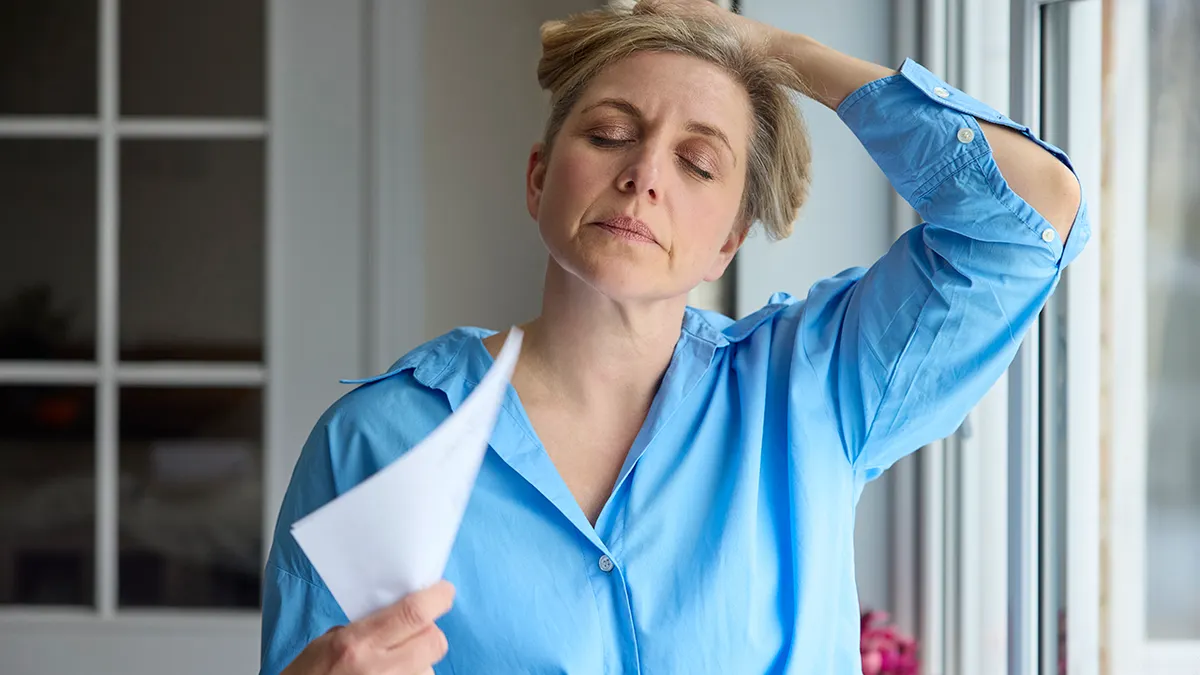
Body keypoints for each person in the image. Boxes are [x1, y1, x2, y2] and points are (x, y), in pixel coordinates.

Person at [260, 0, 1088, 673]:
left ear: (731, 239)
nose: (645, 174)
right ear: (540, 176)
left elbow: (1031, 217)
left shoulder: (816, 389)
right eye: (612, 134)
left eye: (698, 162)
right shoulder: (375, 443)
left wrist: (773, 48)